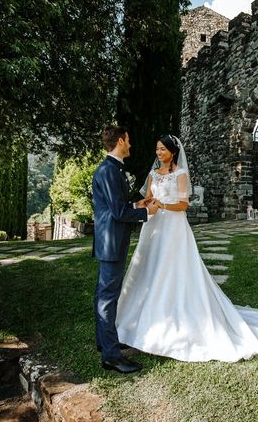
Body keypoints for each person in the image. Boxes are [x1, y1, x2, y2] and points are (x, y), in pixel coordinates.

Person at [116, 134, 258, 362]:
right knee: (147, 266)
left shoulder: (181, 174)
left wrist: (162, 204)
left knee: (172, 268)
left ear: (173, 152)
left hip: (173, 228)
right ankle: (137, 319)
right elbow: (148, 198)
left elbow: (183, 204)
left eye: (162, 149)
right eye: (157, 149)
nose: (158, 153)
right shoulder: (153, 174)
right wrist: (144, 204)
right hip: (153, 226)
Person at [92, 125, 158, 374]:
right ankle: (111, 356)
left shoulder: (111, 169)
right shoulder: (109, 170)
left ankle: (104, 341)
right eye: (128, 140)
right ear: (120, 141)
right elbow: (119, 213)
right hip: (111, 242)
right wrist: (146, 212)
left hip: (110, 240)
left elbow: (116, 205)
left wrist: (136, 203)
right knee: (108, 297)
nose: (130, 144)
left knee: (104, 294)